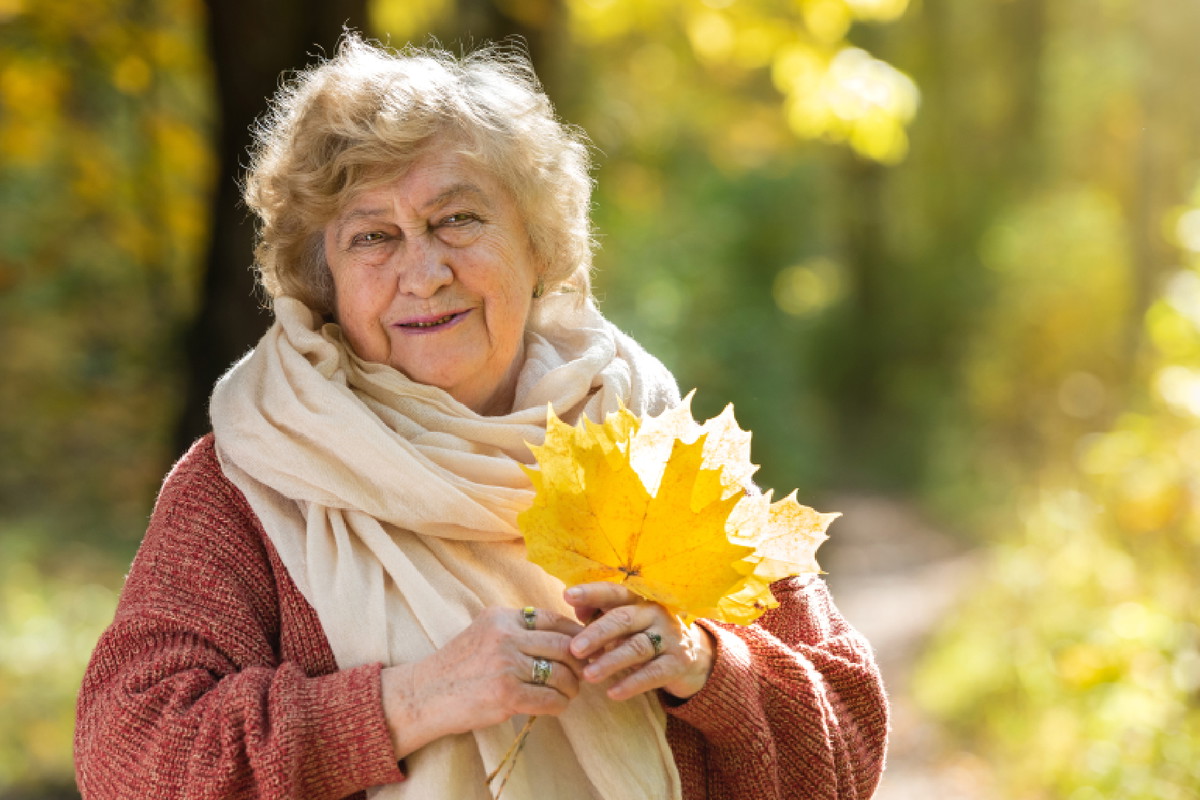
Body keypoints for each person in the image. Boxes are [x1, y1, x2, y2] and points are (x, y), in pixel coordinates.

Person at [74, 34, 888, 800]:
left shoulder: (648, 440)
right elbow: (126, 756)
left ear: (538, 245)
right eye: (373, 238)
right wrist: (406, 702)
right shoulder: (251, 476)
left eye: (457, 220)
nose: (423, 273)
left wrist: (709, 667)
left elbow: (847, 744)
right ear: (324, 281)